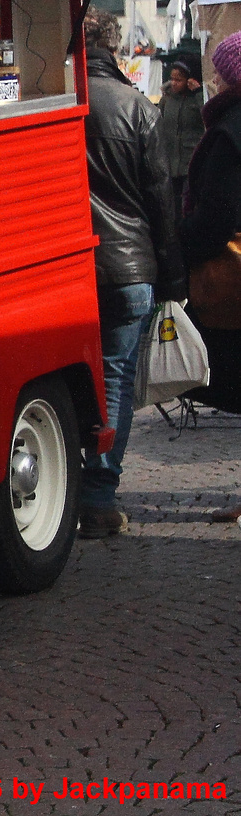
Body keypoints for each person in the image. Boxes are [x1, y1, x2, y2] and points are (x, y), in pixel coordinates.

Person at [81, 10, 186, 539]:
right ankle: (98, 497)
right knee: (116, 379)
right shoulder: (137, 108)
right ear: (114, 48)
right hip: (128, 269)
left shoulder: (59, 104)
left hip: (69, 267)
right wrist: (175, 278)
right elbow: (161, 200)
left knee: (69, 379)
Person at [178, 30, 241, 521]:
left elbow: (217, 217)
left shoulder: (229, 130)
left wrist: (181, 240)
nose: (214, 79)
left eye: (220, 71)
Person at [158, 55, 205, 227]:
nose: (175, 83)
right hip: (170, 163)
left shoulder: (196, 99)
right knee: (171, 208)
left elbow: (207, 116)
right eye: (172, 79)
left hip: (189, 163)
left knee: (187, 207)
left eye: (179, 79)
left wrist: (199, 94)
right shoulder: (167, 99)